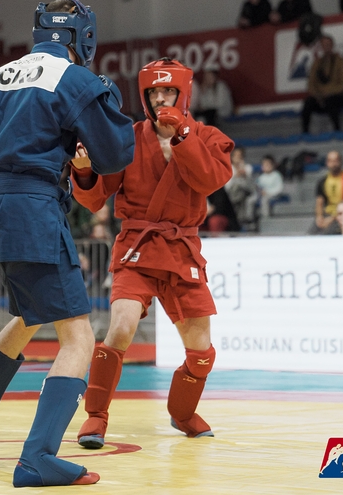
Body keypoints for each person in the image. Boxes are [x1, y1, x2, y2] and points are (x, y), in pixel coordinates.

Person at [0, 0, 134, 488]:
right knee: (79, 336)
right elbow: (115, 154)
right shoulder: (77, 80)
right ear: (83, 37)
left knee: (30, 316)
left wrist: (8, 172)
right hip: (33, 211)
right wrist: (69, 160)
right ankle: (38, 457)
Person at [69, 58, 233, 448]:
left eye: (168, 91)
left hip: (181, 249)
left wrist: (183, 135)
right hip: (137, 246)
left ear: (183, 94)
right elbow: (94, 199)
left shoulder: (208, 136)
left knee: (201, 350)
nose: (160, 98)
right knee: (121, 326)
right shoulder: (126, 137)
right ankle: (96, 416)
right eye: (153, 92)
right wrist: (85, 171)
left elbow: (210, 180)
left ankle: (182, 412)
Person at [301, 35, 343, 134]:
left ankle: (337, 131)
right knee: (308, 102)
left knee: (331, 101)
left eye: (328, 44)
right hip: (320, 98)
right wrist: (317, 95)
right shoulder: (317, 64)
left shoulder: (341, 62)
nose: (326, 47)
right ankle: (305, 133)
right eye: (324, 45)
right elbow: (311, 83)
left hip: (336, 97)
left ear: (332, 45)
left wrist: (329, 93)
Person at [308, 150, 343, 235]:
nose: (333, 164)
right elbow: (319, 202)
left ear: (340, 162)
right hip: (327, 214)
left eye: (335, 161)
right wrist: (319, 217)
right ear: (327, 163)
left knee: (326, 235)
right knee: (310, 235)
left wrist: (331, 219)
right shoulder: (323, 181)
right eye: (330, 161)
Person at [224, 146, 257, 227]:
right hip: (232, 194)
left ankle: (242, 221)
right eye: (236, 156)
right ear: (232, 157)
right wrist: (236, 176)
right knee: (237, 189)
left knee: (242, 193)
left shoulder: (247, 168)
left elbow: (251, 186)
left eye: (240, 156)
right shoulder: (228, 169)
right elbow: (227, 187)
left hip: (246, 192)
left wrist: (245, 175)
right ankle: (240, 221)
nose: (238, 158)